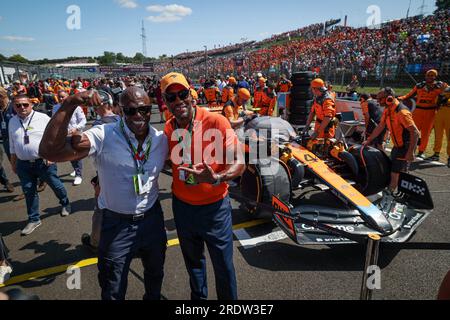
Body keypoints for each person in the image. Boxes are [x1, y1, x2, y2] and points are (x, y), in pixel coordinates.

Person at [39, 87, 168, 301]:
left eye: (144, 109)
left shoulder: (161, 139)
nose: (138, 115)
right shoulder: (103, 135)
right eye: (130, 111)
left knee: (155, 275)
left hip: (152, 220)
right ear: (120, 110)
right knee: (112, 286)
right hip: (117, 224)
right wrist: (70, 103)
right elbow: (49, 151)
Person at [162, 72, 245, 300]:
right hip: (183, 208)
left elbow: (239, 162)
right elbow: (167, 158)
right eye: (172, 98)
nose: (178, 101)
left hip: (215, 209)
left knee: (223, 266)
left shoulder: (216, 122)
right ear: (165, 103)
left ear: (191, 95)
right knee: (194, 264)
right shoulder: (168, 129)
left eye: (182, 94)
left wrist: (217, 178)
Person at [9, 94, 71, 236]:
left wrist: (52, 155)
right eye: (18, 105)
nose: (22, 108)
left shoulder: (42, 118)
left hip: (43, 161)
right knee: (28, 191)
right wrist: (13, 163)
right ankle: (34, 219)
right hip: (23, 164)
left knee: (56, 185)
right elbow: (12, 145)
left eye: (25, 104)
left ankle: (65, 203)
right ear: (14, 106)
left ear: (31, 104)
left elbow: (56, 135)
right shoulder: (12, 121)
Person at [81, 90, 121, 252]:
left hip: (105, 174)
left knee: (101, 209)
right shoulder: (124, 120)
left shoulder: (98, 126)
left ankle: (95, 242)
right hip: (126, 172)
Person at [363, 88, 420, 194]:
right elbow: (381, 126)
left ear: (389, 98)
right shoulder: (388, 109)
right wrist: (369, 140)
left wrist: (411, 152)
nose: (378, 101)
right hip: (397, 146)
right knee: (393, 168)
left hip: (405, 146)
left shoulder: (402, 112)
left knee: (396, 172)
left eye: (380, 99)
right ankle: (395, 191)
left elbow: (415, 132)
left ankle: (392, 193)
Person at [399, 69, 448, 159]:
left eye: (432, 75)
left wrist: (444, 94)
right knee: (413, 131)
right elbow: (409, 95)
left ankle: (421, 151)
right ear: (425, 76)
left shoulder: (441, 85)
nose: (430, 77)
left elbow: (448, 91)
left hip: (431, 112)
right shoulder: (419, 86)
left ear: (435, 76)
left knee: (426, 133)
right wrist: (399, 98)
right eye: (428, 75)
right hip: (418, 111)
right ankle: (410, 149)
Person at [53, 90, 87, 186]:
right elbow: (54, 121)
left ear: (68, 97)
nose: (61, 99)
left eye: (63, 96)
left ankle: (78, 174)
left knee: (76, 154)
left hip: (75, 134)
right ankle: (75, 169)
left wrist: (75, 128)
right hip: (63, 135)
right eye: (59, 97)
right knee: (69, 154)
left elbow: (83, 120)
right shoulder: (55, 108)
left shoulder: (76, 107)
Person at [429, 87, 450, 165]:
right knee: (438, 136)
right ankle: (436, 154)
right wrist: (441, 96)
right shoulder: (441, 96)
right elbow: (436, 103)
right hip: (439, 117)